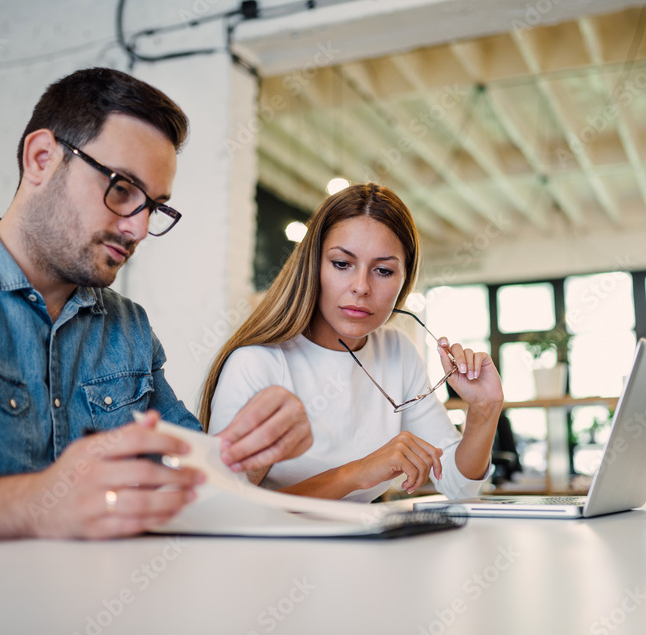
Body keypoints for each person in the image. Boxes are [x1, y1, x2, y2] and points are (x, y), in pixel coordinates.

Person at [0, 68, 311, 551]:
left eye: (155, 207)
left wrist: (250, 454)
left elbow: (186, 479)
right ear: (41, 158)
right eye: (122, 188)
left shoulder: (129, 327)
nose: (139, 229)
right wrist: (38, 504)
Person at [199, 183, 503, 502]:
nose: (361, 287)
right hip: (277, 552)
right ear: (313, 265)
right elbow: (224, 506)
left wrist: (485, 410)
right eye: (342, 264)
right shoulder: (256, 363)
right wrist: (354, 474)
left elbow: (457, 485)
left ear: (404, 280)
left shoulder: (397, 351)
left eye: (383, 271)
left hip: (366, 547)